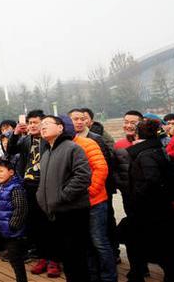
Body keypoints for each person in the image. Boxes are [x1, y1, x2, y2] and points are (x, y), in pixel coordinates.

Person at [125, 118, 174, 282]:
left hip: (148, 210)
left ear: (138, 135)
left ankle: (138, 275)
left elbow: (152, 181)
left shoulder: (144, 154)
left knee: (141, 244)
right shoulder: (158, 149)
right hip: (159, 209)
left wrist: (136, 197)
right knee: (165, 247)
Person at [36, 115, 91, 282]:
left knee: (77, 259)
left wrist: (62, 196)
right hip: (54, 212)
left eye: (47, 123)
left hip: (72, 211)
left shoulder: (72, 148)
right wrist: (41, 197)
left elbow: (83, 177)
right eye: (42, 125)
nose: (42, 127)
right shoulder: (46, 152)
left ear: (60, 128)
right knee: (66, 259)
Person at [6, 109, 57, 276]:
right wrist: (15, 133)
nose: (33, 126)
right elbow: (11, 151)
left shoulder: (49, 140)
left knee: (49, 223)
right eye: (30, 123)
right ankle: (42, 257)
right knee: (35, 224)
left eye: (36, 122)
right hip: (28, 186)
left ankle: (53, 260)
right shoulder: (26, 139)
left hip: (46, 186)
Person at [68, 115, 116, 282]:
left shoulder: (89, 142)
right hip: (77, 204)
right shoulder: (65, 146)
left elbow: (101, 168)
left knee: (99, 242)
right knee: (86, 243)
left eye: (82, 118)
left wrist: (91, 191)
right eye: (74, 119)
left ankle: (109, 277)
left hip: (95, 200)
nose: (79, 122)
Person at [0, 159, 27, 282]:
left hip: (14, 231)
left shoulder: (15, 188)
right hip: (7, 230)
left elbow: (20, 208)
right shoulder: (2, 187)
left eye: (1, 171)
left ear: (11, 172)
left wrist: (13, 225)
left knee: (16, 259)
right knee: (13, 258)